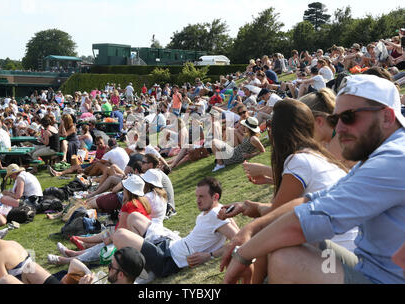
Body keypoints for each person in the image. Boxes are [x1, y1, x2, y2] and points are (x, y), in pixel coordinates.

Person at [222, 74, 405, 284]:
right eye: (336, 119)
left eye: (349, 117)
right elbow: (312, 200)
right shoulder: (379, 155)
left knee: (286, 258)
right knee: (283, 245)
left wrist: (244, 254)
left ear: (387, 117)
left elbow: (307, 219)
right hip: (370, 267)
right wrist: (251, 228)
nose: (340, 128)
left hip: (386, 277)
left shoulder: (395, 159)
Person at [219, 98, 355, 284]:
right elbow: (287, 210)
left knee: (274, 246)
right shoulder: (322, 157)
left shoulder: (298, 161)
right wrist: (249, 206)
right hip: (348, 255)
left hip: (336, 262)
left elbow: (275, 221)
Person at [110, 177, 239, 280]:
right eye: (197, 196)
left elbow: (239, 240)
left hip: (169, 260)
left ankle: (141, 270)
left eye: (202, 197)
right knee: (134, 217)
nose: (197, 200)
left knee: (119, 234)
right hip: (171, 244)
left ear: (215, 197)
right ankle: (143, 265)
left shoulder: (215, 215)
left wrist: (209, 255)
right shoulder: (214, 211)